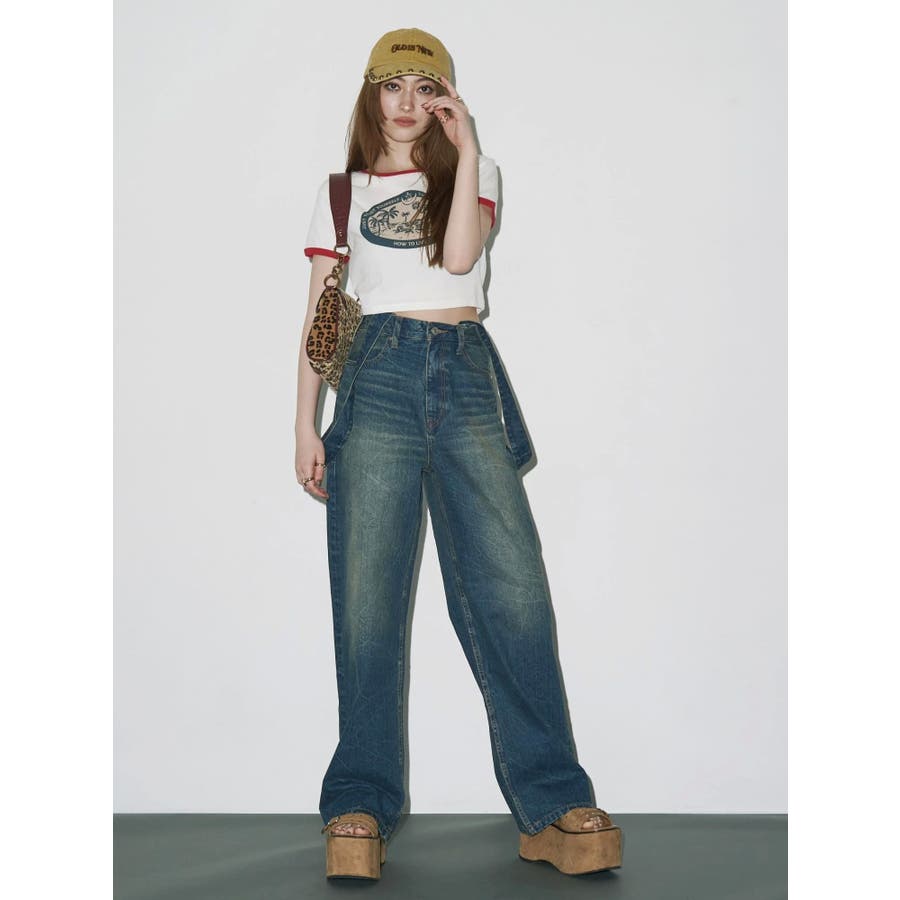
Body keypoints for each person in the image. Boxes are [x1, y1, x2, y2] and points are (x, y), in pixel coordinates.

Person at [295, 28, 623, 880]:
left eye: (425, 88)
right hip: (375, 378)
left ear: (446, 100)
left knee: (512, 591)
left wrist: (465, 147)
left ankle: (551, 805)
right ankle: (360, 803)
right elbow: (325, 317)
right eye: (392, 87)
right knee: (368, 601)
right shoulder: (342, 192)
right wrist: (304, 423)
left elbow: (457, 258)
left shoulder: (478, 172)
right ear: (370, 96)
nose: (407, 104)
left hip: (466, 373)